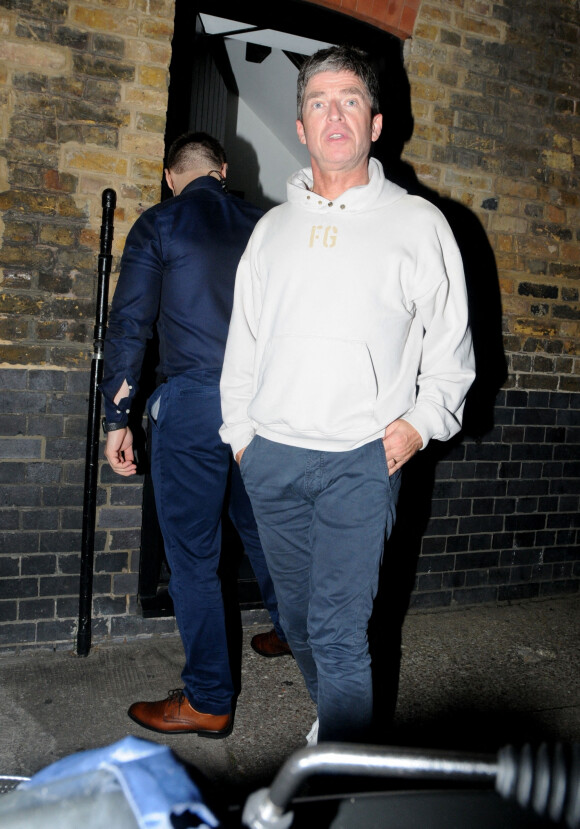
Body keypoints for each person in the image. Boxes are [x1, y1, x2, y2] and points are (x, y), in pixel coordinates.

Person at [219, 46, 476, 744]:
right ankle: (337, 719)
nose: (334, 113)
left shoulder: (419, 225)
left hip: (360, 463)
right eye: (318, 102)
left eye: (350, 100)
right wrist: (241, 436)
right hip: (272, 457)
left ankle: (349, 769)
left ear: (376, 121)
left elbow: (452, 348)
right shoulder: (270, 232)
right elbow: (243, 344)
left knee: (337, 629)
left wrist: (418, 426)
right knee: (298, 621)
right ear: (300, 127)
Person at [100, 132, 289, 740]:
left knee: (192, 559)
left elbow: (130, 323)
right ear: (224, 170)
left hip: (193, 405)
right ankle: (292, 631)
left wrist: (117, 417)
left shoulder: (161, 223)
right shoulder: (268, 225)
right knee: (263, 532)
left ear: (169, 175)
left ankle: (209, 699)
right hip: (262, 407)